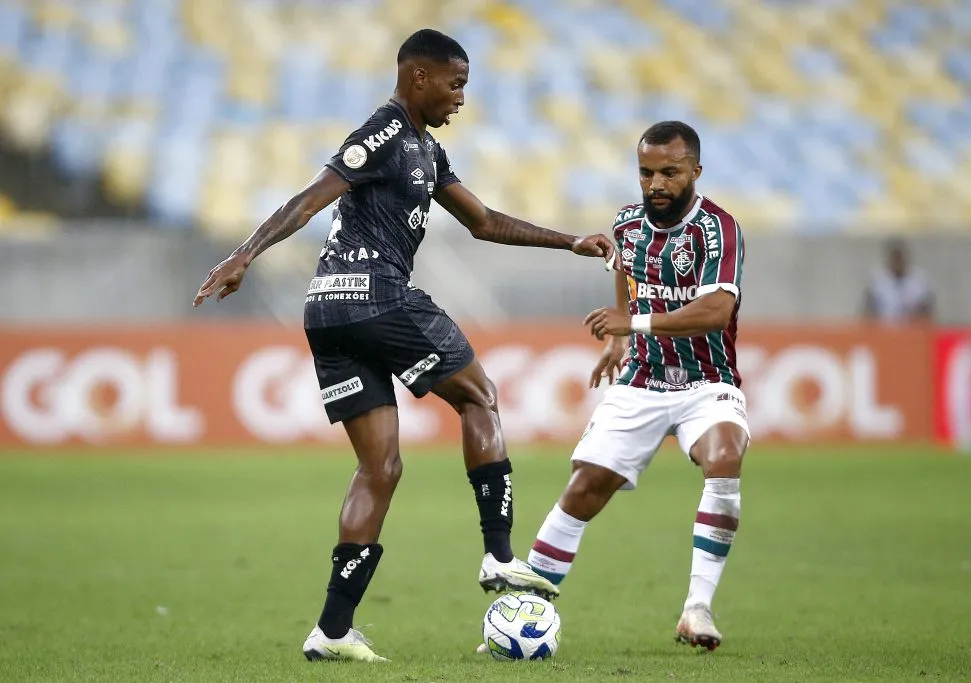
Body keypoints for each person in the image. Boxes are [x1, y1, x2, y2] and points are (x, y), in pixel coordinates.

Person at [192, 29, 616, 663]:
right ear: (419, 76)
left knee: (380, 467)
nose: (462, 98)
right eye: (455, 84)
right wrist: (244, 254)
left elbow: (484, 222)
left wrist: (567, 241)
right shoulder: (385, 133)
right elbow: (311, 198)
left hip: (327, 312)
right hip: (375, 296)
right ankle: (500, 557)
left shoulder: (427, 151)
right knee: (480, 396)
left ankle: (332, 630)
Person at [523, 121, 748, 652]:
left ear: (695, 170)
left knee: (725, 454)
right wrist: (620, 334)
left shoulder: (719, 229)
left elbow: (717, 310)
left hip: (706, 381)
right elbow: (624, 271)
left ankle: (697, 608)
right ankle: (523, 612)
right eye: (646, 172)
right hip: (641, 380)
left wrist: (635, 325)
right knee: (583, 490)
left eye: (669, 172)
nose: (656, 184)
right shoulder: (627, 224)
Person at [863, 239, 934, 323]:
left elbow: (927, 308)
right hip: (884, 329)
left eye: (899, 258)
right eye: (894, 259)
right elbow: (868, 309)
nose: (897, 262)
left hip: (912, 329)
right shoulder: (878, 280)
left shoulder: (919, 280)